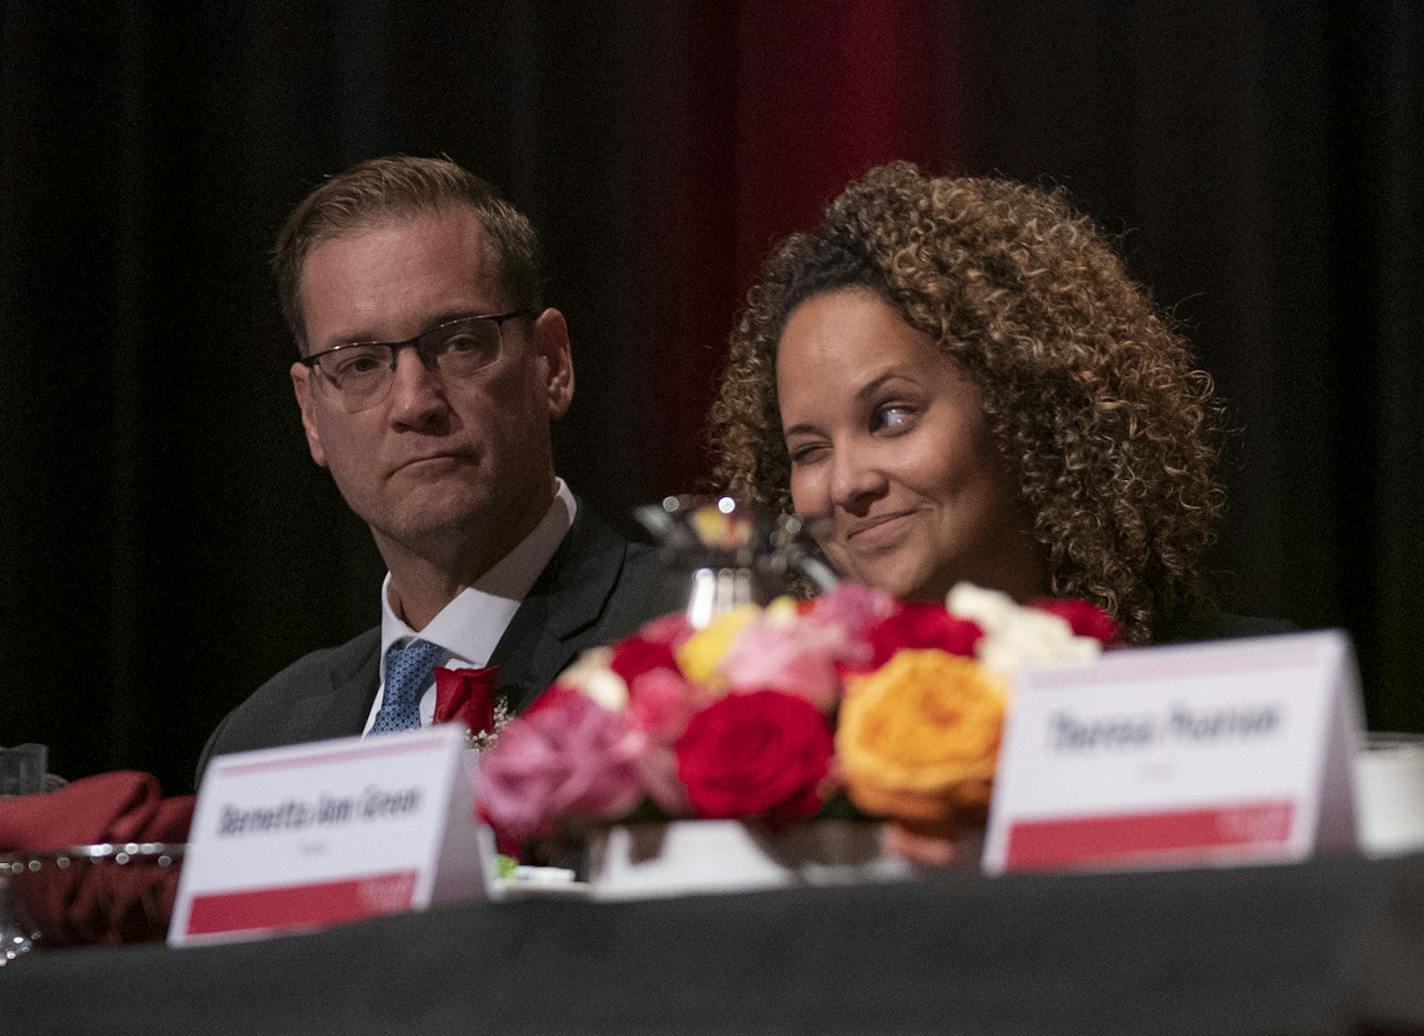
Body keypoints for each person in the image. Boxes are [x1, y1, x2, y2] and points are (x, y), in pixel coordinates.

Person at [198, 156, 668, 776]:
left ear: (551, 364)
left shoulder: (688, 647)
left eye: (459, 342)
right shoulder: (261, 745)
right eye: (361, 364)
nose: (414, 402)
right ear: (311, 413)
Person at [711, 161, 1287, 645]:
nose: (845, 485)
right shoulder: (799, 730)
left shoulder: (1244, 692)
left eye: (890, 418)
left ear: (1026, 406)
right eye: (809, 450)